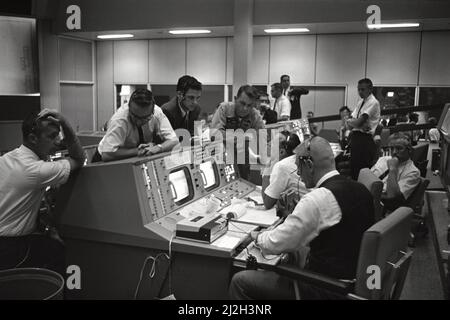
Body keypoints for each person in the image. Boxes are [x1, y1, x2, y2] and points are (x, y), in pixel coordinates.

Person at [229, 137, 374, 300]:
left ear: (309, 165)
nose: (298, 173)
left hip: (326, 288)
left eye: (299, 167)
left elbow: (276, 243)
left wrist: (257, 237)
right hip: (356, 280)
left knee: (240, 281)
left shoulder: (319, 199)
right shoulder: (360, 190)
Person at [0, 110, 86, 274]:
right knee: (58, 250)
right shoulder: (36, 170)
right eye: (52, 136)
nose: (58, 141)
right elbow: (79, 159)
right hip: (10, 247)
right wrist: (66, 123)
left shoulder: (10, 157)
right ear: (33, 139)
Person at [97, 89, 178, 162]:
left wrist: (158, 148)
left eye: (145, 118)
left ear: (152, 112)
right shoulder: (119, 120)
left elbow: (174, 141)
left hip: (135, 157)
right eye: (135, 116)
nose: (139, 122)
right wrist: (137, 151)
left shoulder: (157, 113)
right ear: (129, 108)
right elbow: (107, 154)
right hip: (106, 160)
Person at [371, 132, 420, 212]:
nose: (394, 152)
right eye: (391, 148)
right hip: (369, 194)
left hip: (383, 207)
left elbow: (392, 196)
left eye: (399, 148)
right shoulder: (383, 159)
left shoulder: (413, 172)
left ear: (409, 150)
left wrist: (393, 169)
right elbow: (369, 178)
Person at [262, 131, 308, 209]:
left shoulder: (282, 166)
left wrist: (268, 169)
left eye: (271, 144)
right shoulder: (296, 159)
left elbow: (267, 203)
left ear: (282, 151)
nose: (268, 144)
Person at [346, 78, 381, 180]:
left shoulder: (373, 102)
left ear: (370, 89)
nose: (360, 92)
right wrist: (352, 122)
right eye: (359, 89)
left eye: (363, 89)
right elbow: (350, 124)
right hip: (356, 138)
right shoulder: (361, 102)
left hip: (365, 140)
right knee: (354, 171)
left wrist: (354, 122)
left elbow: (357, 122)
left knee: (361, 173)